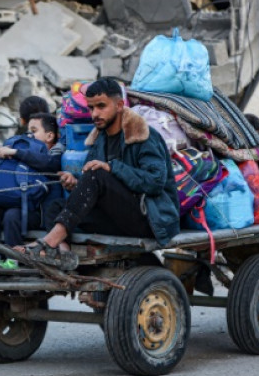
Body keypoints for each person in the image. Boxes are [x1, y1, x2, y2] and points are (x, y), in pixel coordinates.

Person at [17, 78, 180, 265]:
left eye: (101, 106)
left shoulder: (144, 135)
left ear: (119, 105)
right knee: (56, 206)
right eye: (91, 108)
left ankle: (49, 242)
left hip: (148, 218)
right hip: (116, 217)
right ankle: (62, 254)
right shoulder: (100, 139)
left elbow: (155, 182)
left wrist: (112, 167)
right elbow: (93, 183)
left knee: (98, 173)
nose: (95, 114)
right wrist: (75, 182)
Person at [0, 113, 63, 269]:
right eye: (28, 130)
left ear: (49, 136)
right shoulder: (23, 150)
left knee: (12, 215)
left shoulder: (53, 154)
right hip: (14, 203)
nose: (29, 135)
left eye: (34, 130)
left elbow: (48, 164)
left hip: (38, 214)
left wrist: (16, 153)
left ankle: (13, 258)